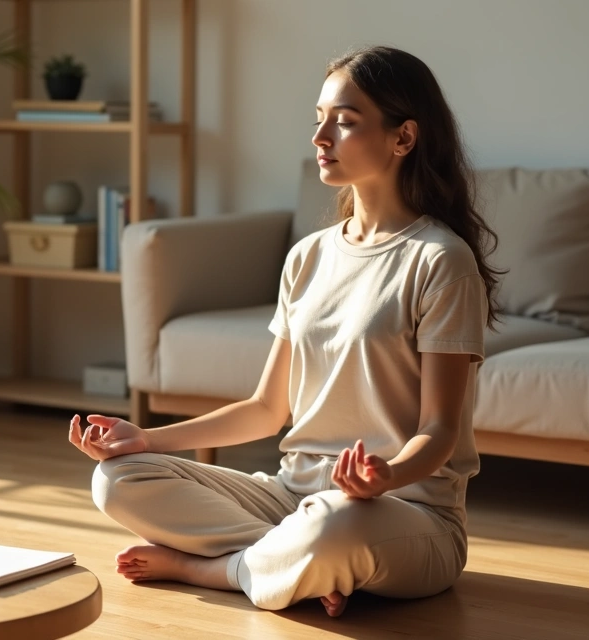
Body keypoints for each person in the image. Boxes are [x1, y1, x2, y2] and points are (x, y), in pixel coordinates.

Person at [67, 45, 504, 618]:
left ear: (403, 138)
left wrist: (385, 476)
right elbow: (266, 408)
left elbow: (441, 430)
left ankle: (218, 569)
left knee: (331, 525)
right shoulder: (308, 257)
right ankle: (294, 568)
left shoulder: (440, 260)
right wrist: (146, 439)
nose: (321, 137)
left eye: (345, 123)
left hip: (403, 512)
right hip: (290, 499)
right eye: (318, 120)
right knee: (117, 479)